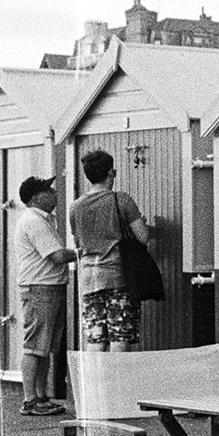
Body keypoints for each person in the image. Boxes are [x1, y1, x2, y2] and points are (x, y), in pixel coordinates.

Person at [68, 149, 150, 354]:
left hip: (88, 278)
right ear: (111, 173)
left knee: (95, 337)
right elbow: (143, 236)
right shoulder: (121, 200)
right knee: (119, 335)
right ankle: (117, 385)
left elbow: (79, 241)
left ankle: (97, 384)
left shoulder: (75, 207)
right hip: (117, 275)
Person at [12, 175, 76, 416]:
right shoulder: (35, 222)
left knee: (44, 346)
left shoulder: (41, 220)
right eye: (49, 190)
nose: (55, 193)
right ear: (37, 197)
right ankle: (30, 399)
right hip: (40, 287)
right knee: (35, 345)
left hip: (46, 286)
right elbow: (57, 256)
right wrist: (85, 251)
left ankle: (40, 396)